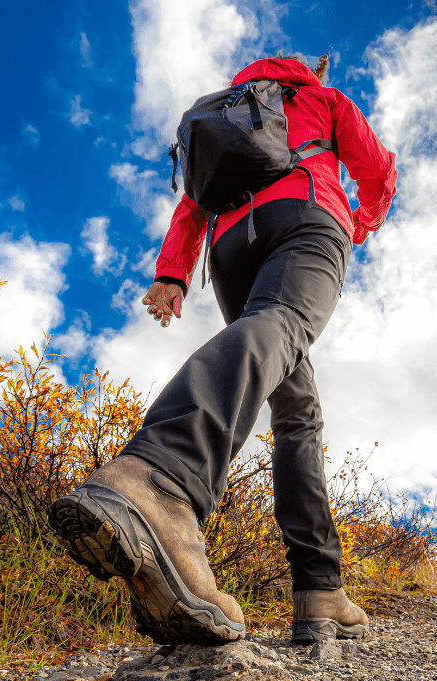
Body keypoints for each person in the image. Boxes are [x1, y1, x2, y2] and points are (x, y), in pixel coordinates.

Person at [49, 53, 397, 646]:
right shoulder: (320, 97)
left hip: (230, 245)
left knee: (297, 413)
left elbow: (192, 205)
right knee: (284, 324)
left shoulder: (227, 114)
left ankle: (319, 588)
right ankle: (161, 476)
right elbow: (377, 169)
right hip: (308, 215)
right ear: (305, 70)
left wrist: (173, 275)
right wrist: (359, 222)